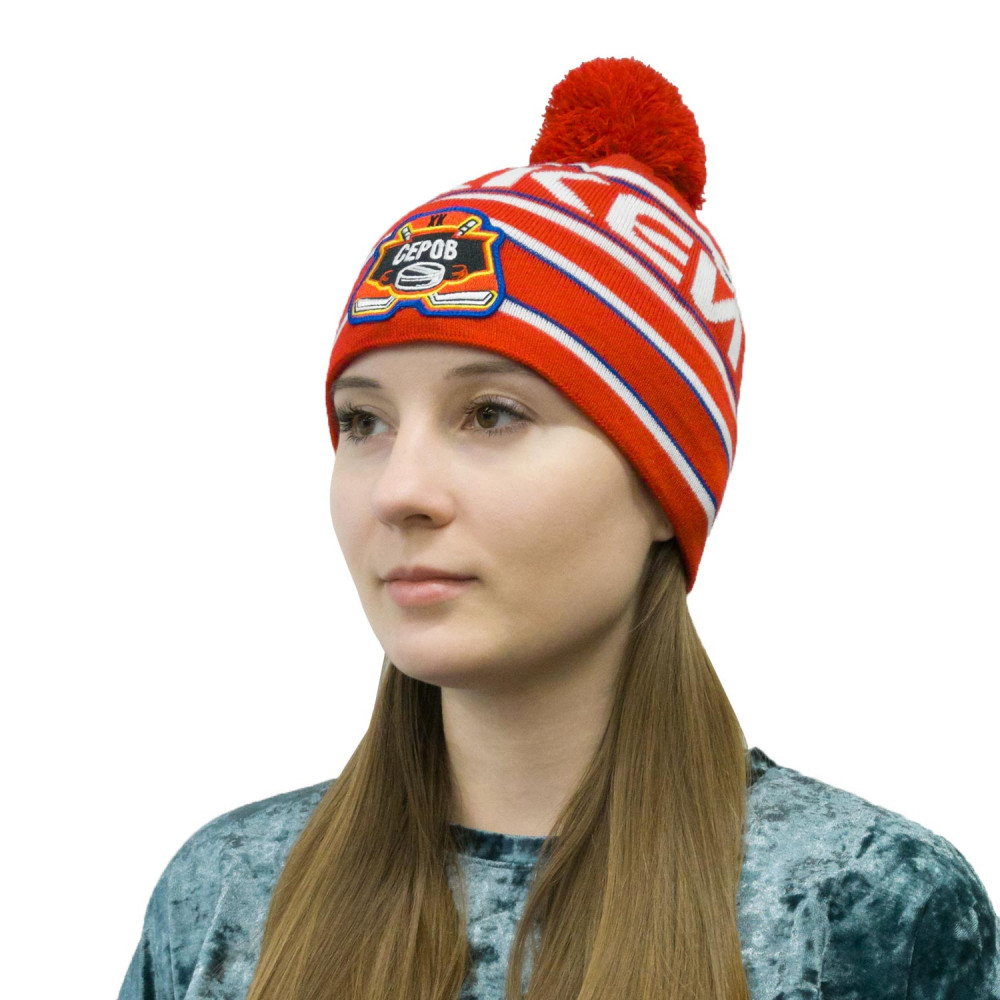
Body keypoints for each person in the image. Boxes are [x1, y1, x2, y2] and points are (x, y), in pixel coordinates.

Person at [118, 56, 1000, 1000]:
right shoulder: (224, 893)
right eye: (364, 421)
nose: (398, 491)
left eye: (491, 414)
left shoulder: (865, 906)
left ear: (663, 487)